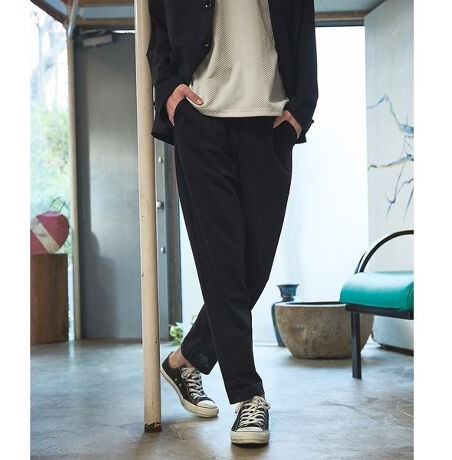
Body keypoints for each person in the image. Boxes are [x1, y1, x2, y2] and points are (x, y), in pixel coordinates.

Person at [147, 0, 318, 446]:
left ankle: (185, 359)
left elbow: (303, 31)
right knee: (223, 265)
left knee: (252, 268)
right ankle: (248, 397)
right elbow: (158, 33)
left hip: (270, 125)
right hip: (200, 120)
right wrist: (168, 90)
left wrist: (301, 111)